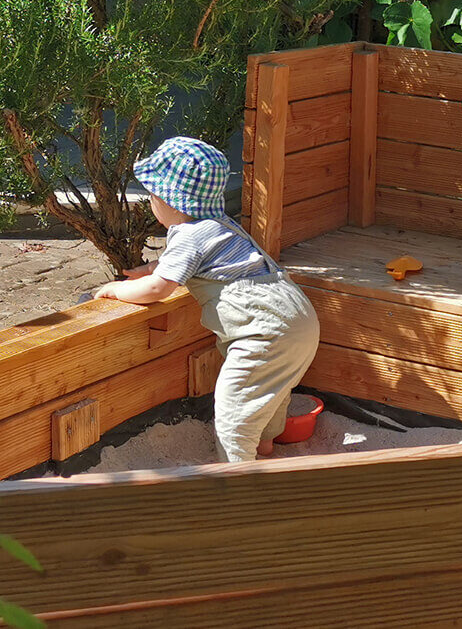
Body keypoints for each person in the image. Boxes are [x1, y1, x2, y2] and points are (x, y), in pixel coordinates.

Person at [93, 137, 321, 462]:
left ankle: (236, 478)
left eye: (152, 196)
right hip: (298, 317)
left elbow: (159, 289)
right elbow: (174, 265)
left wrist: (116, 291)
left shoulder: (189, 236)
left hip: (265, 330)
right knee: (269, 390)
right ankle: (265, 446)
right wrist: (148, 268)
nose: (150, 202)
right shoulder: (220, 226)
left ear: (170, 201)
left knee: (235, 408)